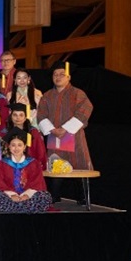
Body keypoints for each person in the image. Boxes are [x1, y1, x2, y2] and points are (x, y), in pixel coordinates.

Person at [37, 62, 94, 202]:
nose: (58, 77)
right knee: (56, 164)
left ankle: (83, 198)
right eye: (55, 74)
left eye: (61, 74)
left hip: (75, 136)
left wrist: (67, 128)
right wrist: (52, 129)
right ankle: (54, 196)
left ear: (68, 77)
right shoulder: (47, 95)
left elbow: (86, 109)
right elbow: (41, 114)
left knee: (79, 164)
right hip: (54, 136)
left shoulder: (78, 93)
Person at [0, 128, 53, 213]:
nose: (16, 148)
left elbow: (37, 183)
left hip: (29, 196)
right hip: (9, 196)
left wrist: (27, 194)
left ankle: (14, 208)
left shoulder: (33, 163)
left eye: (19, 145)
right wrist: (12, 194)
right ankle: (27, 209)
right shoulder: (2, 163)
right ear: (8, 146)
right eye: (13, 145)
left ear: (24, 147)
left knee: (45, 196)